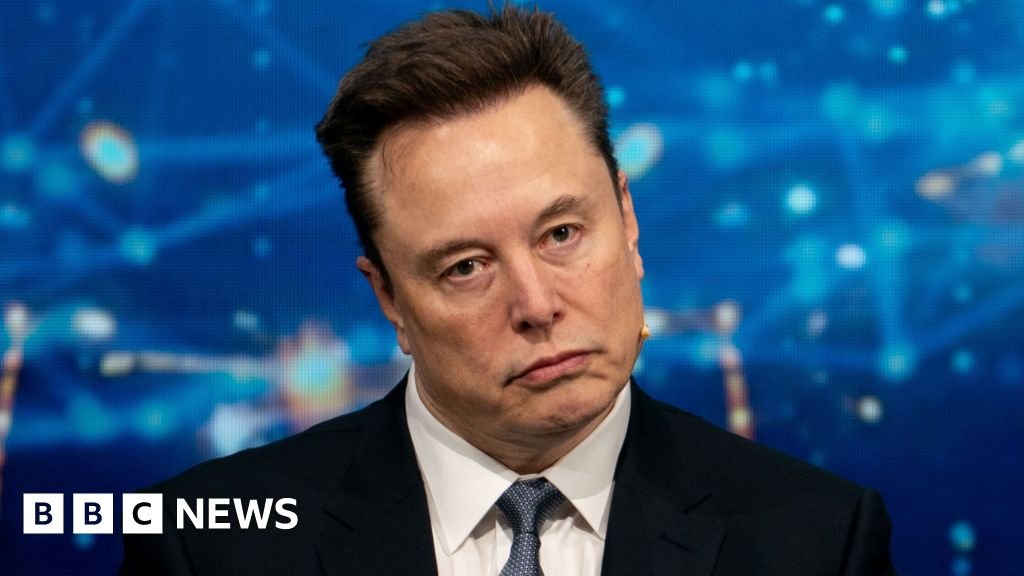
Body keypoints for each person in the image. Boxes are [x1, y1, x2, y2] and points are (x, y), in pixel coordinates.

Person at [121, 5, 895, 575]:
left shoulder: (819, 542)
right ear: (389, 299)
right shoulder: (207, 548)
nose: (536, 305)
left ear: (627, 219)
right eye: (466, 267)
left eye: (562, 234)